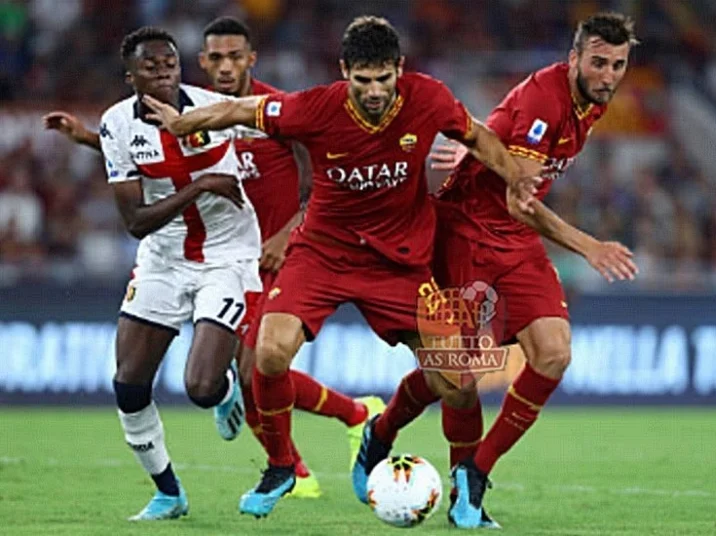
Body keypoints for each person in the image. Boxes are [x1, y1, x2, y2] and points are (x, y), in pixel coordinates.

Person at [144, 15, 536, 519]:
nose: (374, 91)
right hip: (324, 253)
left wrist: (513, 179)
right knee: (269, 350)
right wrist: (183, 123)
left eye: (383, 79)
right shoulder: (315, 107)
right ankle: (282, 467)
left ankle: (463, 494)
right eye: (362, 80)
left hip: (400, 261)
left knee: (455, 382)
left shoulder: (430, 98)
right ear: (344, 71)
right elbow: (242, 109)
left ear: (399, 69)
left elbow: (479, 137)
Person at [43, 16, 385, 500]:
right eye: (216, 59)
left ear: (251, 59)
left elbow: (324, 158)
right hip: (199, 254)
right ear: (202, 62)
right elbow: (147, 153)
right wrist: (87, 139)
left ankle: (292, 464)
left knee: (251, 369)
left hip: (261, 252)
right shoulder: (195, 112)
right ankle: (339, 425)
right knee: (241, 373)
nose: (225, 68)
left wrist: (292, 230)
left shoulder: (259, 110)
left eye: (234, 57)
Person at [427, 12, 640, 528]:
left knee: (553, 353)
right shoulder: (545, 101)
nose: (608, 75)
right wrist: (587, 245)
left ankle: (473, 475)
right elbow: (520, 199)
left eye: (617, 65)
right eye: (598, 62)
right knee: (454, 378)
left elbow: (523, 209)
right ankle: (380, 434)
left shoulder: (590, 105)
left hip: (515, 240)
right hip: (467, 230)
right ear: (574, 60)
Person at [82, 26, 263, 521]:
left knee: (201, 389)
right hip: (162, 258)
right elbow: (136, 222)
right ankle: (168, 492)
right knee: (129, 382)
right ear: (131, 76)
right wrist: (203, 184)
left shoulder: (214, 107)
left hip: (227, 257)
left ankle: (225, 390)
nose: (163, 72)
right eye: (150, 67)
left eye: (170, 64)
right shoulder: (117, 125)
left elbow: (295, 131)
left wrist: (304, 199)